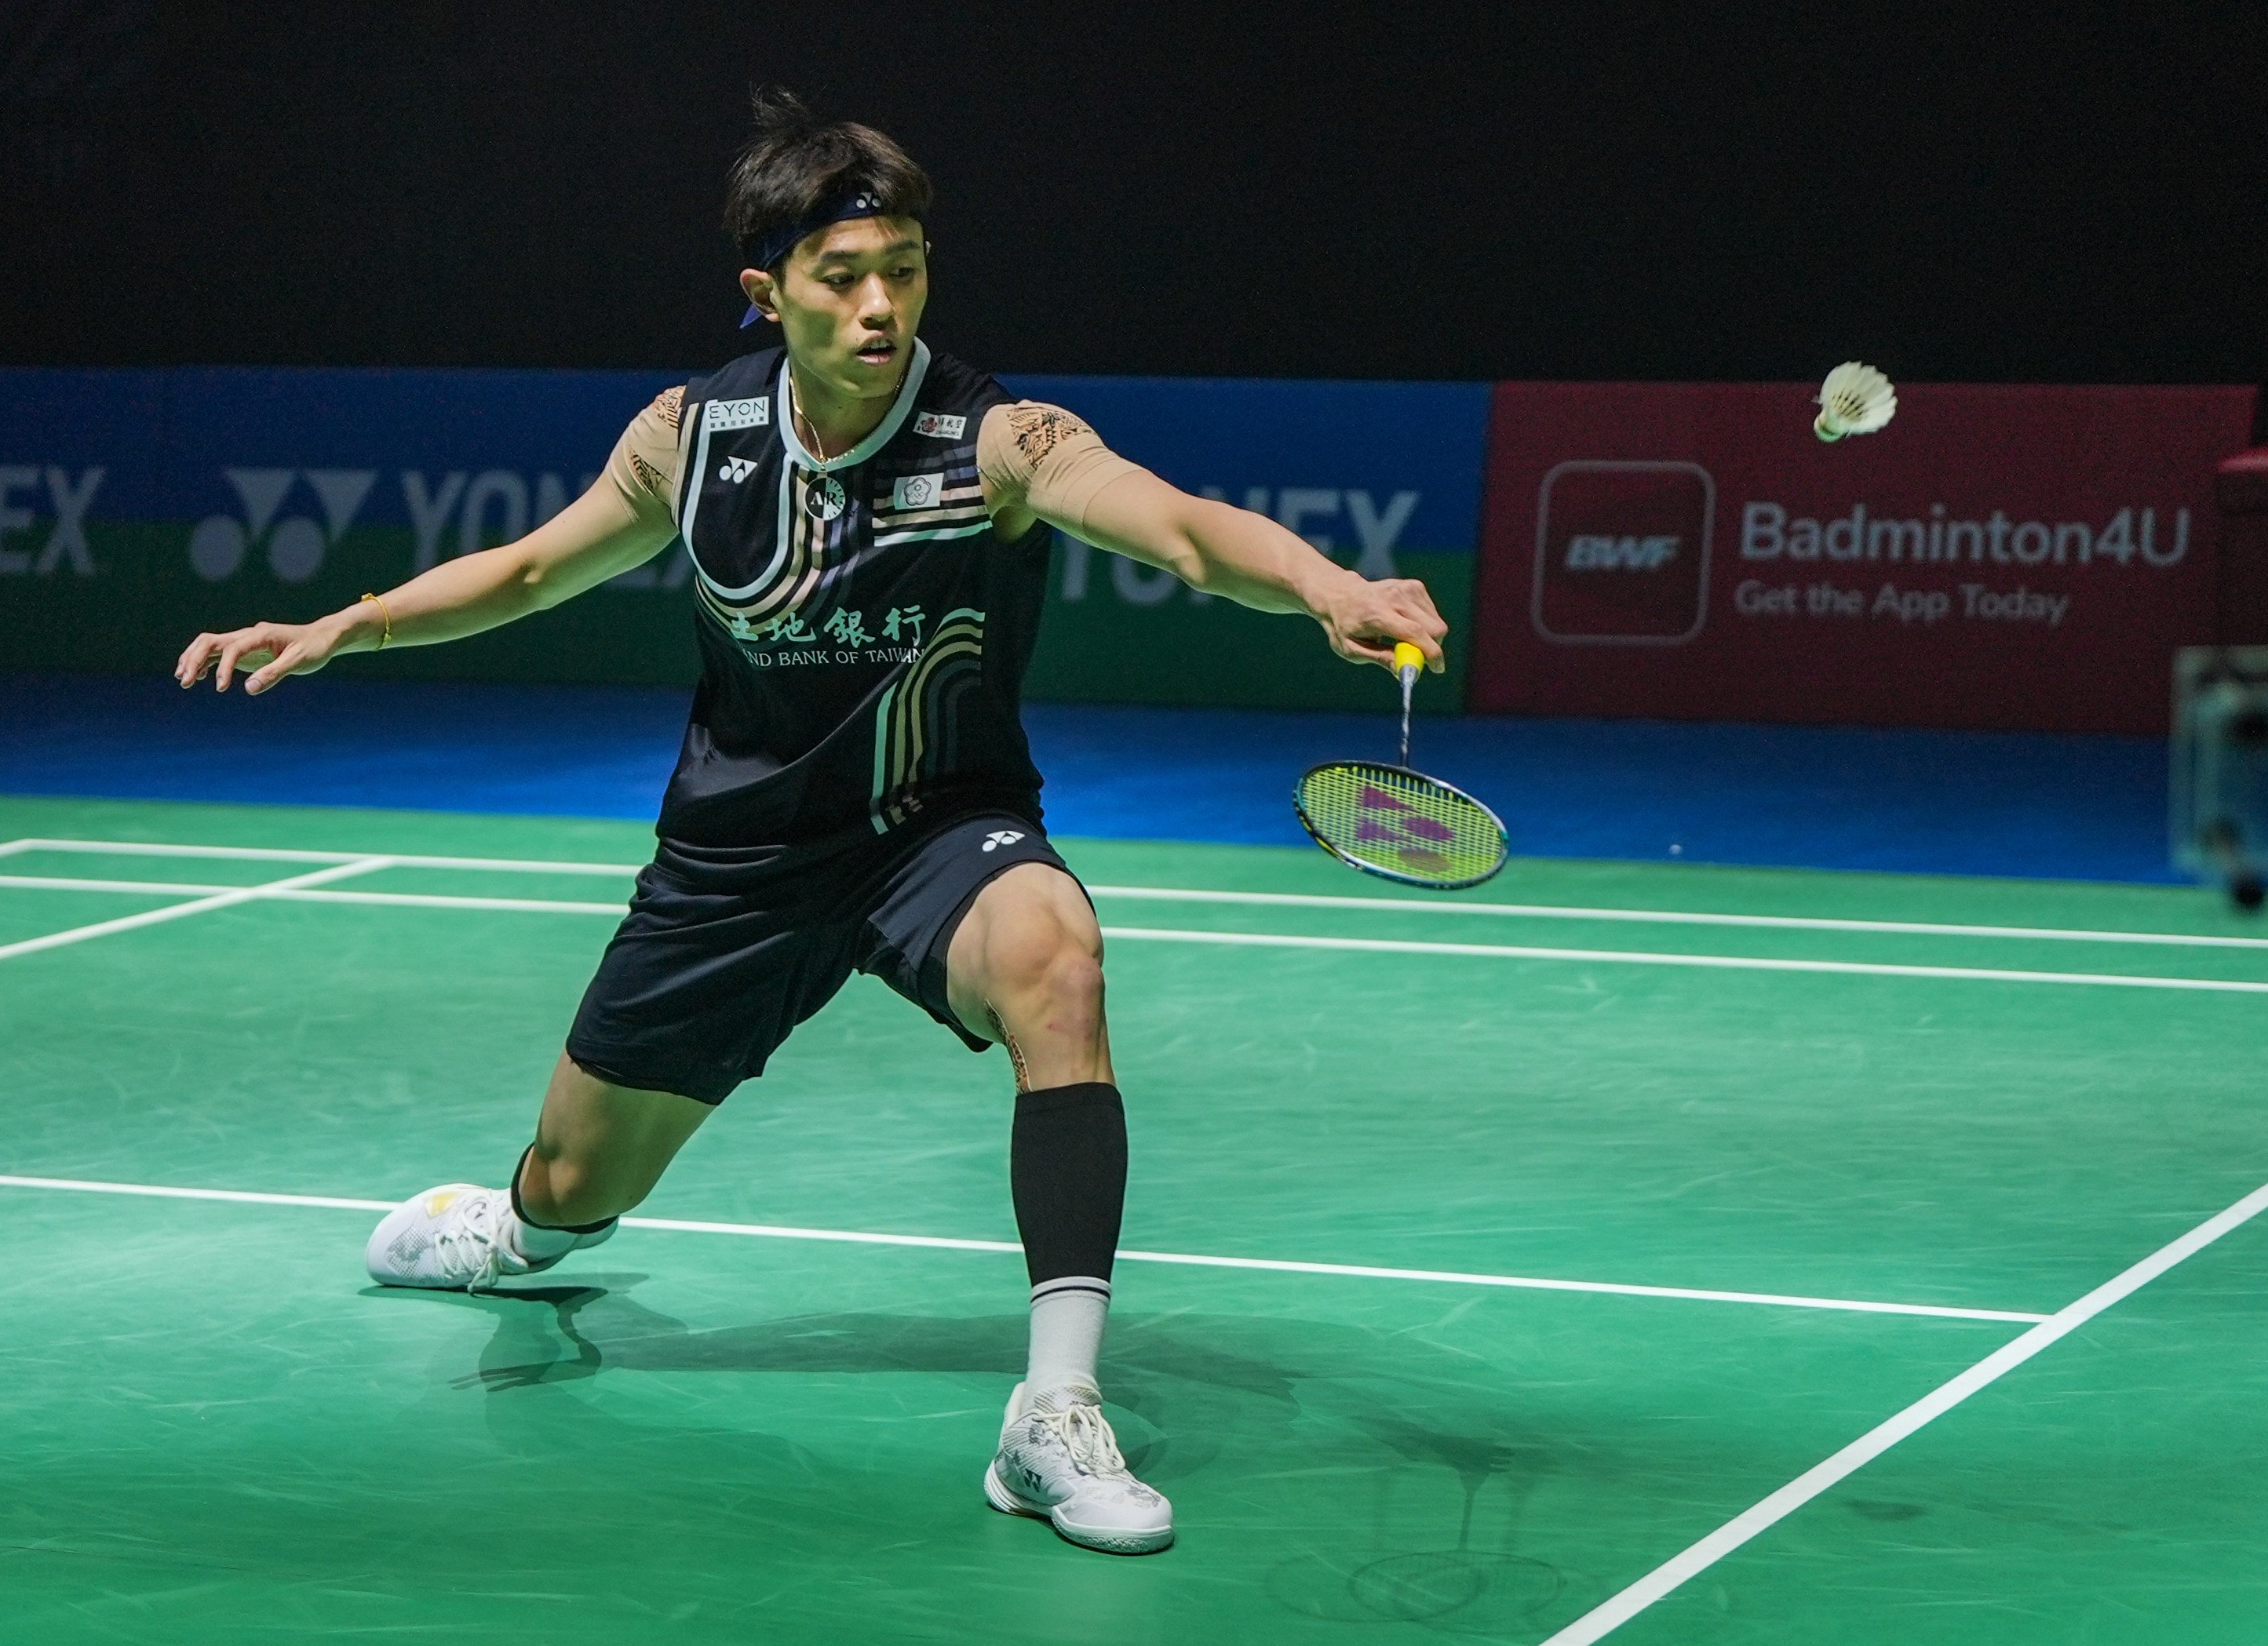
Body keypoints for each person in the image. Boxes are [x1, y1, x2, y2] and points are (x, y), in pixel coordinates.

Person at [175, 89, 1446, 1557]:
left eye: (902, 268)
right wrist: (352, 624)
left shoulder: (1000, 439)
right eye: (842, 276)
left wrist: (1327, 589)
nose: (878, 304)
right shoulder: (690, 434)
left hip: (937, 833)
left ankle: (1052, 1413)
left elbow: (1172, 523)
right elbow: (530, 572)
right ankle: (516, 1231)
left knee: (1059, 957)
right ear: (765, 291)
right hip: (737, 859)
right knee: (578, 1187)